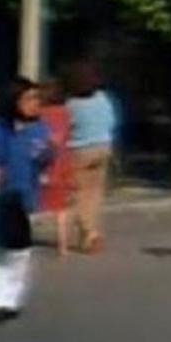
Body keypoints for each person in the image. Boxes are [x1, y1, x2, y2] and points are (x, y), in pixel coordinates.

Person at [0, 77, 53, 319]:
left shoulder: (39, 128)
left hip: (20, 196)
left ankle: (7, 299)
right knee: (13, 247)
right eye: (29, 98)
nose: (35, 103)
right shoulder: (1, 128)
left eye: (37, 98)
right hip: (4, 194)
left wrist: (48, 153)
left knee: (17, 249)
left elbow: (44, 159)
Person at [65, 62, 118, 254]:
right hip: (103, 147)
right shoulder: (103, 99)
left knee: (79, 194)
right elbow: (112, 121)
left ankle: (89, 233)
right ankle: (90, 232)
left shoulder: (71, 105)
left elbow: (66, 129)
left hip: (80, 151)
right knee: (95, 193)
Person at [39, 80, 74, 256]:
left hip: (42, 163)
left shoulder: (39, 115)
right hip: (62, 162)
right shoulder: (65, 113)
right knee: (61, 208)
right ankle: (63, 246)